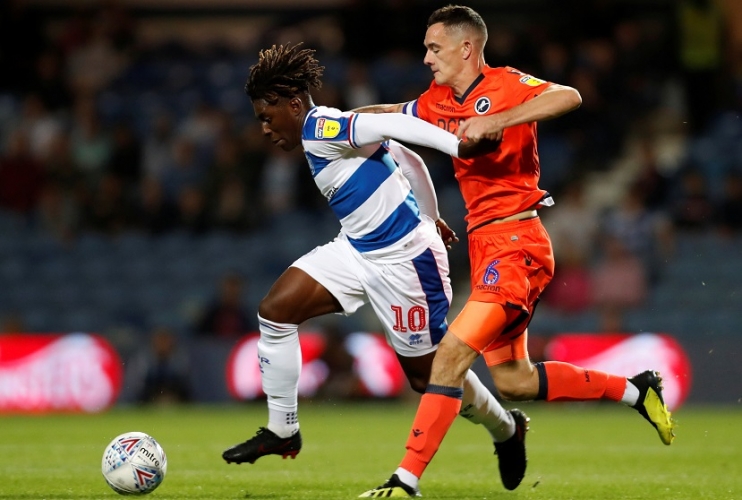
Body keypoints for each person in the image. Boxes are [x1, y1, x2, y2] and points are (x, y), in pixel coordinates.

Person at [356, 6, 675, 498]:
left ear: (466, 48)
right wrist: (328, 120)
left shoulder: (506, 84)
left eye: (434, 48)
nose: (426, 58)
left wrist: (500, 120)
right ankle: (636, 390)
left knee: (450, 355)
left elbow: (568, 96)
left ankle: (405, 479)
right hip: (485, 247)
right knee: (514, 382)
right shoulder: (436, 101)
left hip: (516, 244)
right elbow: (391, 114)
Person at [221, 43, 530, 491]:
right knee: (276, 311)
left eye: (267, 117)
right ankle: (282, 429)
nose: (266, 129)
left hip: (406, 262)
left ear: (293, 105)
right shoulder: (326, 130)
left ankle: (505, 427)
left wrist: (458, 146)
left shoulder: (321, 127)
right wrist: (432, 213)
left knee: (428, 377)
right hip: (355, 249)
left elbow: (395, 124)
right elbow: (406, 158)